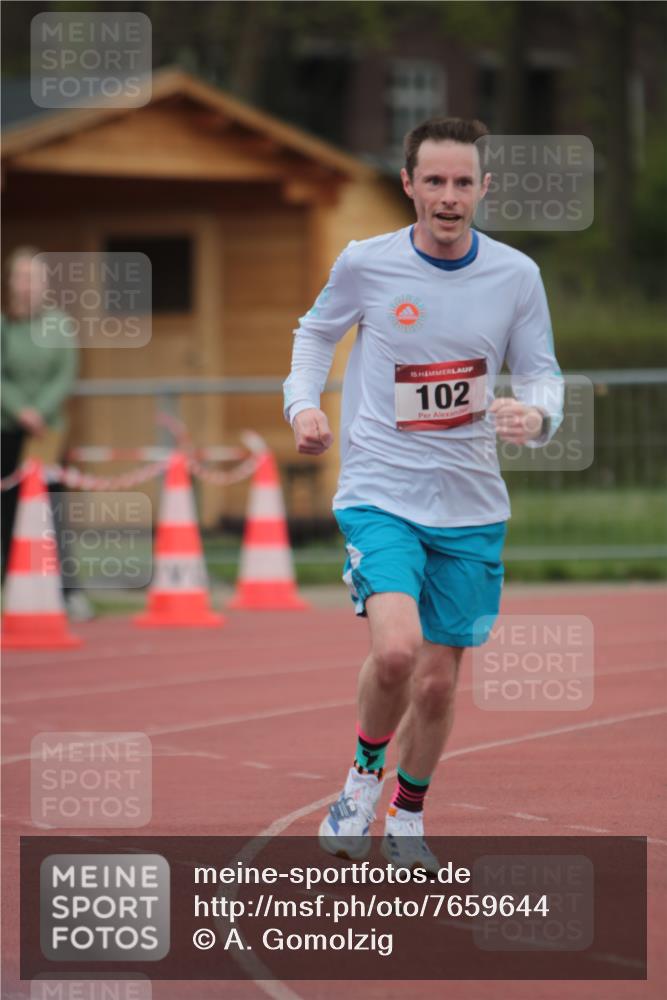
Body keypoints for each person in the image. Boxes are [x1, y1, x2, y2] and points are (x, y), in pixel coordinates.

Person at [283, 117, 563, 872]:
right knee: (398, 650)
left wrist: (534, 414)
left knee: (438, 685)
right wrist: (303, 404)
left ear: (482, 189)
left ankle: (408, 812)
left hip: (471, 508)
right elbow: (314, 335)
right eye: (432, 181)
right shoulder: (364, 263)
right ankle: (358, 782)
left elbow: (540, 372)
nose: (447, 197)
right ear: (407, 184)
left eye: (461, 183)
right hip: (379, 491)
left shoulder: (514, 276)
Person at [1, 247, 93, 620]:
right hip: (8, 430)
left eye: (33, 278)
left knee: (53, 513)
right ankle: (15, 587)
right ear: (10, 282)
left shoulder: (60, 325)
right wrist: (19, 409)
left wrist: (39, 411)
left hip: (48, 434)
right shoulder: (5, 325)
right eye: (20, 277)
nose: (27, 285)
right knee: (7, 512)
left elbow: (65, 374)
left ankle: (67, 591)